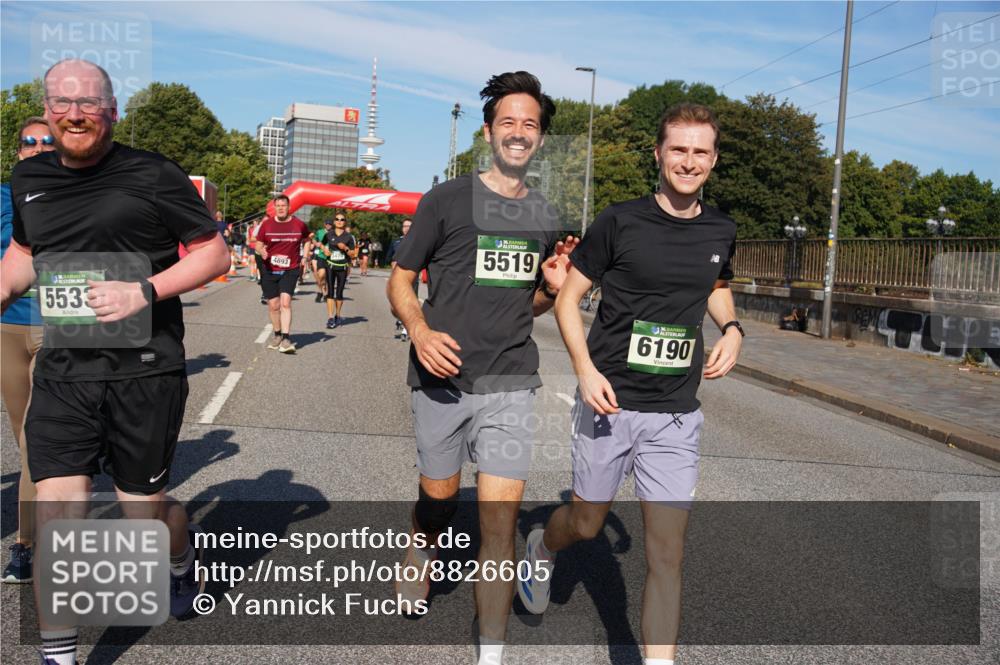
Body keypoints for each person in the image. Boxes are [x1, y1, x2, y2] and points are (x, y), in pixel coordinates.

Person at [0, 59, 231, 665]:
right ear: (47, 109)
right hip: (64, 371)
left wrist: (144, 291)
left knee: (143, 514)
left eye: (88, 103)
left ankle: (180, 560)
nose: (74, 113)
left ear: (112, 111)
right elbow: (25, 255)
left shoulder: (153, 175)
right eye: (61, 102)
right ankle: (59, 655)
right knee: (58, 514)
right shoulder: (30, 180)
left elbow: (214, 253)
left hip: (144, 372)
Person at [516, 103, 743, 665]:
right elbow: (568, 300)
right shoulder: (620, 221)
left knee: (667, 555)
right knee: (587, 524)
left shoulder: (721, 228)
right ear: (659, 154)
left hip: (675, 413)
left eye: (700, 152)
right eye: (679, 150)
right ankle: (542, 545)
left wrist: (733, 327)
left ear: (713, 160)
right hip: (609, 402)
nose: (688, 162)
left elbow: (714, 283)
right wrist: (585, 371)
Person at [387, 71, 577, 665]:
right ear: (490, 131)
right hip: (442, 378)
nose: (519, 133)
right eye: (509, 122)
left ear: (540, 138)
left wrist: (550, 289)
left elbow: (535, 304)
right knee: (439, 501)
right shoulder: (446, 200)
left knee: (500, 523)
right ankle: (422, 546)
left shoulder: (546, 216)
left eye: (530, 124)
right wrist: (418, 331)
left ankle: (490, 654)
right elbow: (399, 281)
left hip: (511, 378)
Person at [1, 117, 55, 584]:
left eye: (47, 142)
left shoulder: (79, 193)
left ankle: (25, 543)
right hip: (8, 327)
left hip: (60, 326)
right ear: (17, 150)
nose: (37, 147)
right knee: (21, 434)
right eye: (28, 142)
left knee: (33, 440)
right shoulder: (2, 196)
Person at [255, 194, 311, 353]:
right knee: (273, 305)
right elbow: (258, 245)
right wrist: (262, 251)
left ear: (289, 207)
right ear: (274, 208)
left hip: (290, 269)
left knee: (285, 303)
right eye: (277, 206)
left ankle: (286, 338)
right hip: (269, 269)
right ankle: (277, 334)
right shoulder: (267, 225)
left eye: (283, 205)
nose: (280, 208)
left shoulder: (299, 224)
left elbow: (307, 240)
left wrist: (305, 257)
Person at [322, 213, 355, 329]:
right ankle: (330, 317)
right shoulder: (329, 234)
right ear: (334, 222)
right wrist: (325, 250)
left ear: (345, 222)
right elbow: (322, 244)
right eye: (337, 219)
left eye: (342, 219)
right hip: (330, 265)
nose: (339, 221)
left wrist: (345, 248)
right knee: (330, 291)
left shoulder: (349, 237)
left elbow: (353, 254)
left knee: (339, 292)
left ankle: (338, 315)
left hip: (342, 267)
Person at [387, 218, 416, 340]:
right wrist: (393, 264)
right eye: (404, 226)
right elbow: (389, 257)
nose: (406, 228)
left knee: (410, 302)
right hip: (397, 277)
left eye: (409, 226)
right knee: (395, 304)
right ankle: (400, 318)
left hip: (412, 276)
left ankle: (406, 329)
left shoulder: (417, 241)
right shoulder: (396, 242)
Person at [311, 220, 331, 303]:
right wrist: (316, 243)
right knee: (321, 275)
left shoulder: (334, 233)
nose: (328, 225)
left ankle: (322, 293)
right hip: (321, 256)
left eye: (330, 224)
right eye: (327, 224)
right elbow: (314, 239)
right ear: (324, 224)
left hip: (331, 257)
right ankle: (322, 292)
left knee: (327, 278)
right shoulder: (320, 232)